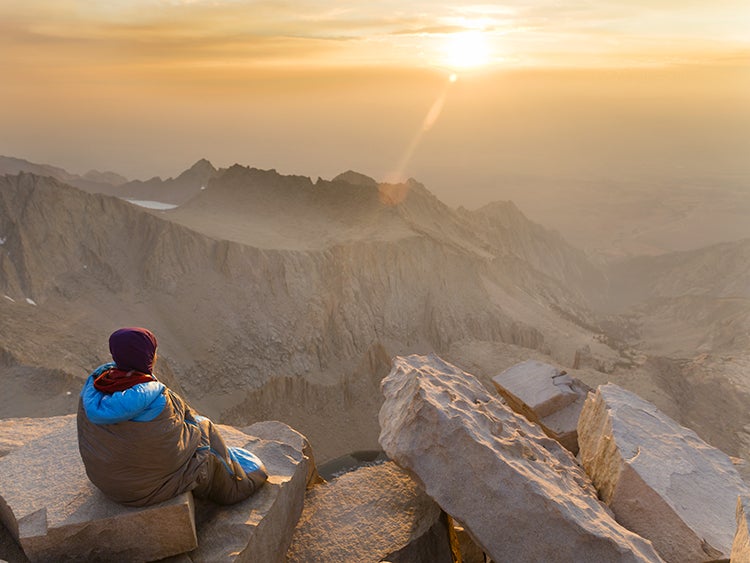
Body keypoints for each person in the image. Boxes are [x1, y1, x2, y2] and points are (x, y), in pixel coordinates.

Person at [77, 327, 267, 507]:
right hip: (146, 490)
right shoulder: (156, 398)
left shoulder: (94, 388)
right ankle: (236, 484)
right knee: (203, 428)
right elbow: (178, 442)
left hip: (107, 483)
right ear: (148, 357)